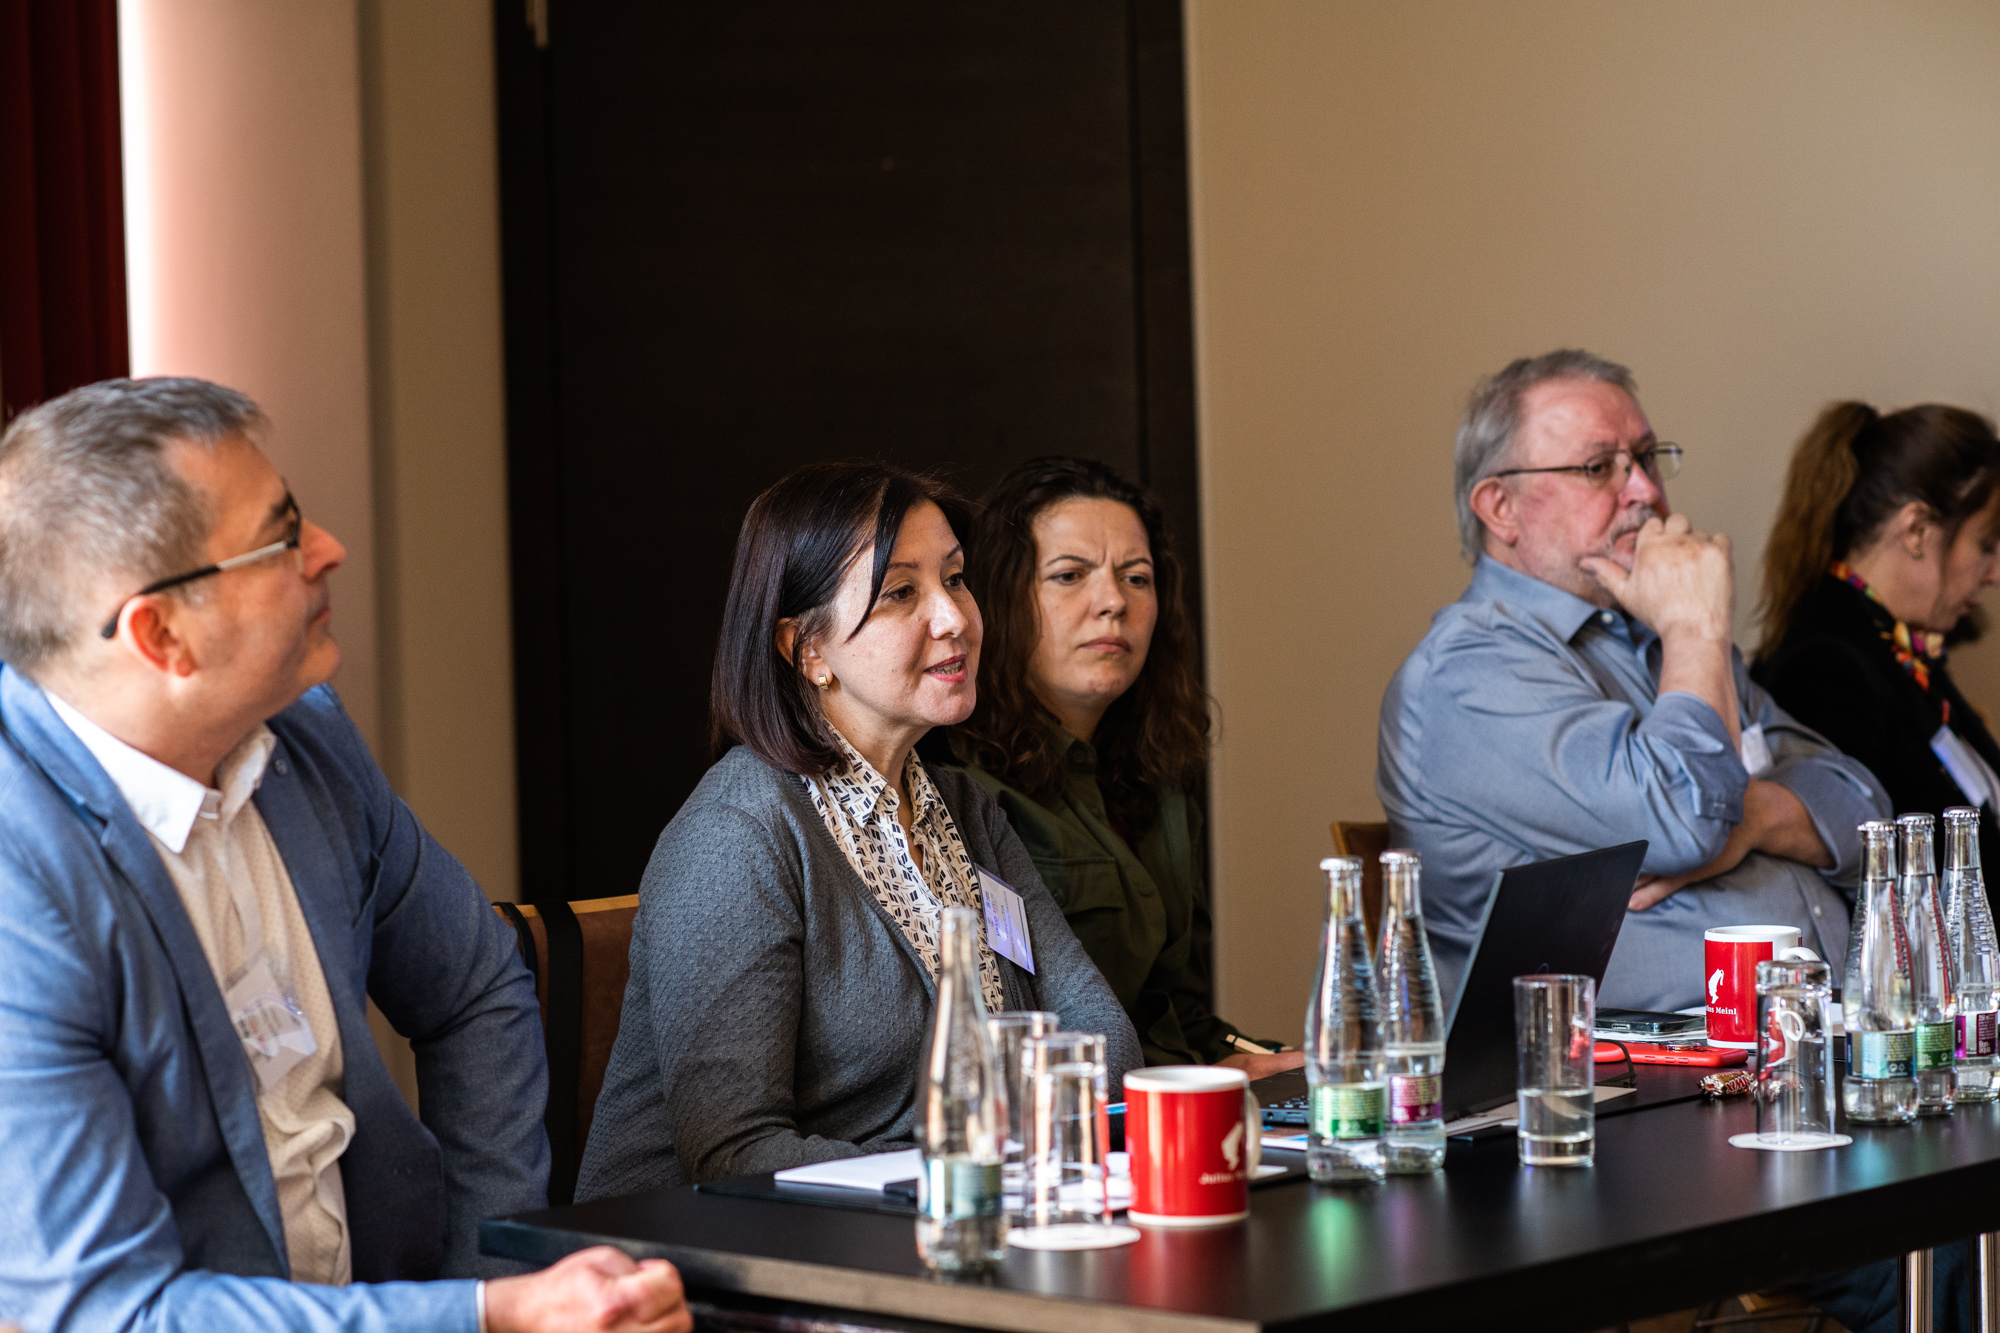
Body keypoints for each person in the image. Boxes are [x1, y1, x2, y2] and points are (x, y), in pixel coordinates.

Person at [0, 379, 688, 1333]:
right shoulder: (21, 880)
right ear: (162, 634)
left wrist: (484, 1271)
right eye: (280, 538)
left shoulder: (304, 739)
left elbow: (476, 989)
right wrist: (484, 1315)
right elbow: (107, 1310)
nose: (329, 548)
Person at [575, 462, 1140, 1198]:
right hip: (704, 1250)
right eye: (902, 592)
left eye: (956, 579)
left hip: (939, 1219)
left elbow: (1103, 1046)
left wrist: (985, 1170)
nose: (955, 617)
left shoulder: (967, 812)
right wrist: (964, 1169)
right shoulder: (737, 835)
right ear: (806, 649)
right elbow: (735, 1153)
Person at [1377, 350, 1889, 1014]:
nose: (1645, 490)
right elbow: (1688, 821)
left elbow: (1868, 817)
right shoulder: (1467, 672)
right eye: (1599, 467)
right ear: (1501, 507)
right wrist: (1696, 627)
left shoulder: (1653, 641)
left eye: (1646, 458)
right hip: (1613, 1071)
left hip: (1815, 1037)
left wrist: (1755, 817)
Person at [945, 457, 1297, 1077]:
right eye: (1069, 575)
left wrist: (1262, 1060)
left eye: (1137, 578)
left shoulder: (1158, 780)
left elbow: (1181, 1017)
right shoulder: (961, 790)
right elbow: (1007, 1034)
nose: (1112, 602)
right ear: (999, 600)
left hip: (1166, 1094)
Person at [1753, 402, 2000, 878]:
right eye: (1985, 545)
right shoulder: (1826, 665)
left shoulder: (1899, 649)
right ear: (1917, 530)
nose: (1994, 574)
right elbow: (1872, 870)